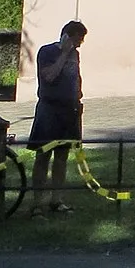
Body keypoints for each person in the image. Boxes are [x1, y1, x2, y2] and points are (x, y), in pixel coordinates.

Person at [29, 20, 87, 214]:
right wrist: (64, 53)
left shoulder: (76, 55)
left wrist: (78, 97)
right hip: (49, 110)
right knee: (43, 156)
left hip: (68, 111)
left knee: (62, 156)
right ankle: (38, 202)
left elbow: (75, 79)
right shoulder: (47, 52)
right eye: (78, 39)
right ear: (67, 36)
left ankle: (57, 199)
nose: (80, 44)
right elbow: (49, 76)